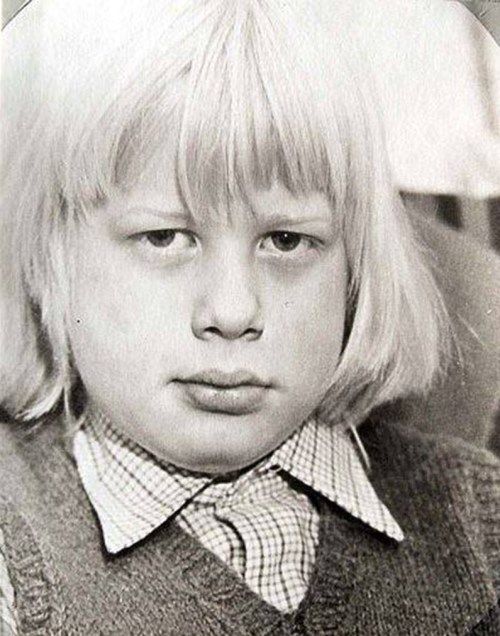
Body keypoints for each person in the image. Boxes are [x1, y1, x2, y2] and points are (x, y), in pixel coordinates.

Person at [0, 1, 498, 633]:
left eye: (285, 242)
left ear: (356, 272)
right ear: (53, 262)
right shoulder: (13, 547)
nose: (232, 312)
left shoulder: (480, 525)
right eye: (165, 238)